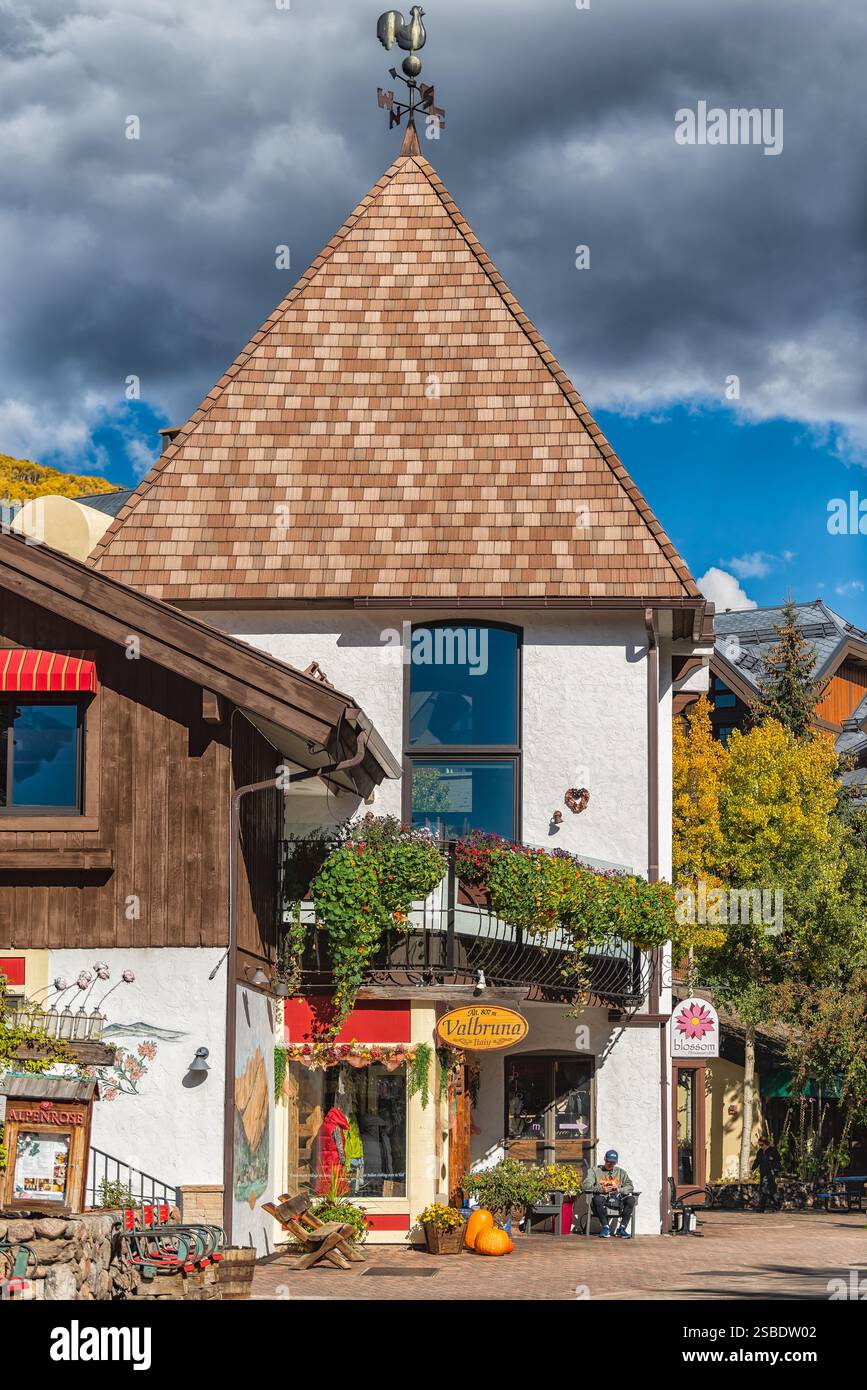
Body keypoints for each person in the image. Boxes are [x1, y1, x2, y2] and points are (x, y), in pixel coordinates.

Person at [582, 1149, 635, 1238]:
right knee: (597, 1199)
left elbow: (630, 1186)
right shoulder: (594, 1171)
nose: (610, 1164)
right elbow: (586, 1186)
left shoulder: (621, 1172)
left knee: (631, 1200)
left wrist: (619, 1189)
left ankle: (622, 1228)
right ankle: (605, 1227)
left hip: (618, 1200)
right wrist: (600, 1189)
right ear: (604, 1159)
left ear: (616, 1162)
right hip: (602, 1199)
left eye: (613, 1163)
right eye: (608, 1161)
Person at [752, 1136, 782, 1212]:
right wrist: (752, 1169)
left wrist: (774, 1166)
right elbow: (757, 1161)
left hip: (770, 1173)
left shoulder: (773, 1150)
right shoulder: (760, 1152)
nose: (760, 1146)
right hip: (763, 1173)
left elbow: (778, 1160)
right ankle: (775, 1205)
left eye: (761, 1145)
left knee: (766, 1190)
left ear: (766, 1144)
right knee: (768, 1190)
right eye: (759, 1145)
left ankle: (764, 1207)